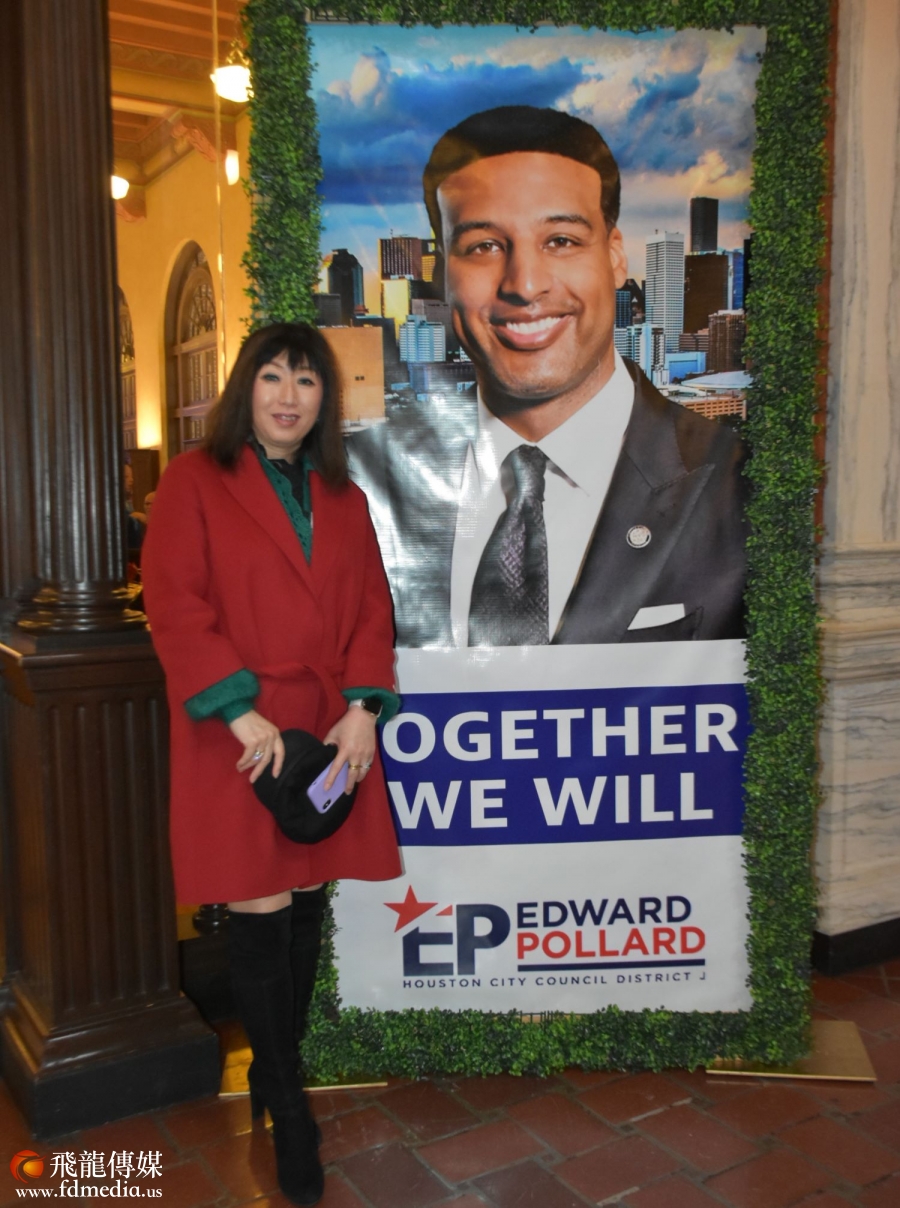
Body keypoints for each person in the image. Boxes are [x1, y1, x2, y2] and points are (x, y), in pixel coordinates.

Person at [142, 323, 401, 1207]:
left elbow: (371, 611)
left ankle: (270, 1073)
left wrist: (363, 710)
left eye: (306, 381)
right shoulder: (193, 481)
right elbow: (176, 603)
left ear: (326, 399)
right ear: (244, 388)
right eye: (272, 377)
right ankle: (291, 1110)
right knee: (260, 905)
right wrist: (236, 706)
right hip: (240, 731)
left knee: (307, 899)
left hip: (326, 728)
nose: (289, 396)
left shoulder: (345, 497)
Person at [348, 106, 748, 647]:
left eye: (560, 240)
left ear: (615, 257)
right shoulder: (357, 480)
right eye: (483, 246)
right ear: (442, 274)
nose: (524, 283)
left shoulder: (741, 485)